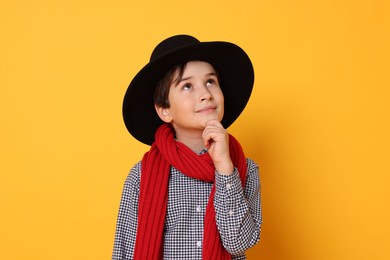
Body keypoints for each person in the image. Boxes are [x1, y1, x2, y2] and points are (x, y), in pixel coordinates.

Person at [113, 34, 262, 260]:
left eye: (211, 81)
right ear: (165, 110)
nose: (205, 95)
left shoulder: (244, 169)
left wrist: (224, 168)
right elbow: (124, 252)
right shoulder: (141, 177)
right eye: (187, 86)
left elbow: (238, 242)